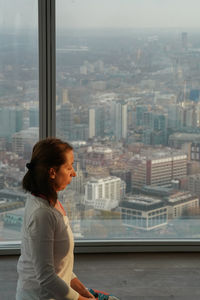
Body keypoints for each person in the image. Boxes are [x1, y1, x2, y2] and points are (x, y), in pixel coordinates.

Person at [16, 138, 96, 300]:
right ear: (52, 172)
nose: (73, 173)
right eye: (69, 167)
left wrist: (83, 292)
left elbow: (60, 264)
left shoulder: (47, 202)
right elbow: (46, 277)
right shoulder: (42, 214)